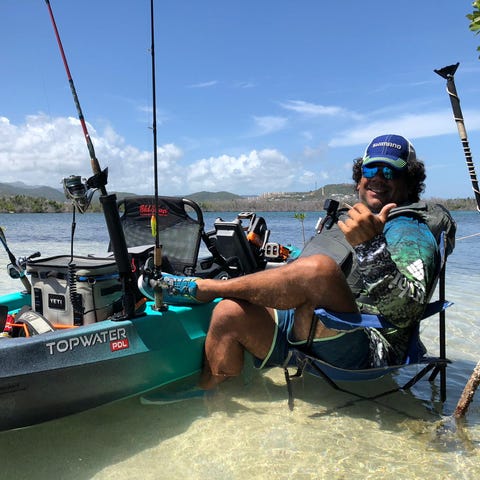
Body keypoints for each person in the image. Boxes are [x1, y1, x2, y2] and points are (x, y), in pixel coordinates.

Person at [144, 134, 453, 393]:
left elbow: (408, 311)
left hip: (370, 347)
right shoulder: (350, 218)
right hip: (311, 328)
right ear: (360, 177)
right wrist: (289, 258)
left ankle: (208, 288)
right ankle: (211, 401)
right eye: (371, 169)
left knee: (318, 270)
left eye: (391, 173)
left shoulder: (410, 231)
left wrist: (372, 247)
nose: (378, 179)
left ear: (409, 181)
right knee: (228, 314)